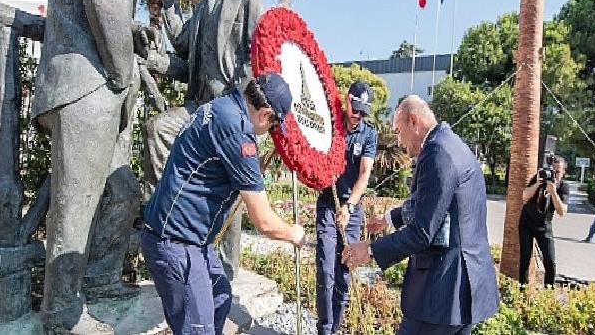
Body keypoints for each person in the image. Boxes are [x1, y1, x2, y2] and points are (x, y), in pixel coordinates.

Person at [141, 72, 304, 335]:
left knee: (220, 296)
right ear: (264, 115)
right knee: (197, 328)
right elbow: (263, 221)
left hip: (192, 240)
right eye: (274, 126)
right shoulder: (238, 133)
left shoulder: (224, 105)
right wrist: (293, 233)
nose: (270, 133)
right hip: (176, 243)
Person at [138, 0, 262, 283]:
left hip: (230, 112)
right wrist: (168, 3)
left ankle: (224, 269)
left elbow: (258, 61)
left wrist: (244, 116)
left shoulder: (249, 1)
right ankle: (172, 217)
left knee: (228, 174)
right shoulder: (203, 6)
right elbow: (181, 46)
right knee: (157, 130)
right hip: (198, 108)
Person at [31, 0, 137, 332]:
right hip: (86, 82)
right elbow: (105, 0)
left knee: (123, 190)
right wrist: (125, 75)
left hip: (92, 81)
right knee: (75, 206)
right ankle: (61, 313)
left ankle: (98, 278)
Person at [343, 96, 499, 335]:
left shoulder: (437, 154)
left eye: (398, 132)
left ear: (413, 121)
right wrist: (388, 219)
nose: (398, 141)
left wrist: (370, 249)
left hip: (443, 291)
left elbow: (423, 232)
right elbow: (430, 202)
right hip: (463, 288)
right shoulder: (450, 143)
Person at [315, 81, 377, 334]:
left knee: (343, 272)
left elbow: (364, 174)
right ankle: (325, 328)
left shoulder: (369, 133)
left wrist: (350, 206)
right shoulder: (331, 125)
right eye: (355, 108)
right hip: (329, 205)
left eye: (363, 111)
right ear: (347, 100)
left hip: (351, 210)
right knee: (326, 268)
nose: (357, 115)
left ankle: (336, 327)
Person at [518, 157, 569, 287]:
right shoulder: (539, 177)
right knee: (525, 257)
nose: (554, 174)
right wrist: (536, 184)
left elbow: (562, 211)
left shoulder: (563, 187)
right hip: (527, 223)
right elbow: (524, 196)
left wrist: (553, 193)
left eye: (558, 172)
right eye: (553, 171)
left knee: (550, 261)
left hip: (544, 226)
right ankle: (522, 288)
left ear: (563, 172)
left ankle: (548, 290)